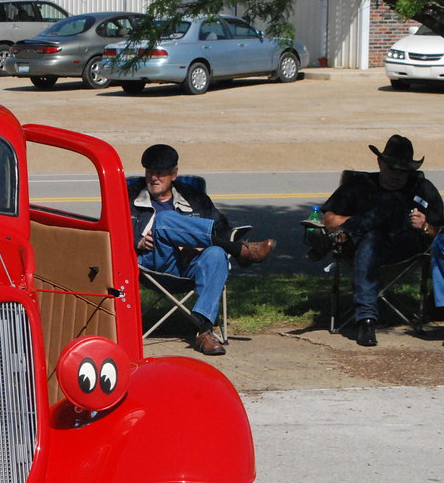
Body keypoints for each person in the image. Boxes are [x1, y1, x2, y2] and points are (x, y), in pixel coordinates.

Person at [130, 144, 276, 356]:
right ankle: (240, 251)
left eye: (160, 173)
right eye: (150, 172)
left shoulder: (193, 197)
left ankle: (205, 331)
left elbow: (221, 228)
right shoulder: (129, 196)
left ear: (174, 174)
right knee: (163, 220)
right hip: (153, 263)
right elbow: (110, 229)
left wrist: (200, 242)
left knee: (216, 253)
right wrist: (137, 241)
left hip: (189, 264)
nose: (154, 178)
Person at [308, 134, 443, 346]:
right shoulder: (359, 184)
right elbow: (329, 219)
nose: (397, 175)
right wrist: (365, 223)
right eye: (392, 168)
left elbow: (440, 236)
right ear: (380, 162)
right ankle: (367, 320)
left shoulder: (422, 187)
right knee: (372, 236)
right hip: (364, 247)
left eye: (403, 171)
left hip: (405, 247)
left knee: (391, 202)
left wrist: (425, 226)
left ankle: (336, 239)